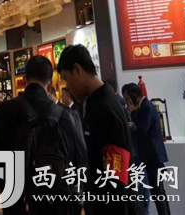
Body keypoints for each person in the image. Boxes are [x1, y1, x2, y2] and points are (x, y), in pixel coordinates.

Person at [0, 55, 86, 215]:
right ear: (50, 85)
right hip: (57, 201)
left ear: (24, 80)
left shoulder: (5, 110)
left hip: (18, 201)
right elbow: (81, 160)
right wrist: (76, 203)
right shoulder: (67, 115)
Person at [58, 45, 142, 215]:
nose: (67, 87)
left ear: (77, 69)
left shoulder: (105, 109)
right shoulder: (94, 103)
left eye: (66, 78)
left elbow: (116, 178)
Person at [123, 83, 171, 215]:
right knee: (157, 192)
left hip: (154, 157)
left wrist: (133, 114)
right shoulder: (144, 107)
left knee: (158, 192)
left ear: (134, 96)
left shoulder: (146, 107)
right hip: (150, 157)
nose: (127, 103)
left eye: (128, 99)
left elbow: (142, 131)